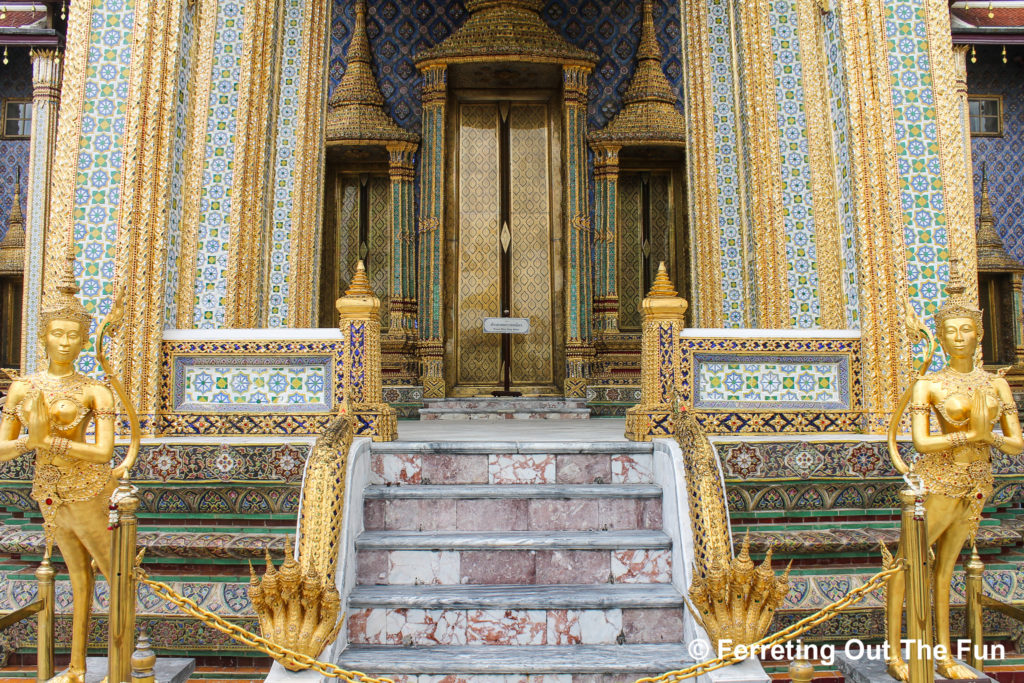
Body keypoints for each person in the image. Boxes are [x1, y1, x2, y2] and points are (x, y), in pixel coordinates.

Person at [885, 265, 1023, 680]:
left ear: (979, 335)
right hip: (938, 480)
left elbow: (1017, 443)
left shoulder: (995, 384)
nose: (959, 337)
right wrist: (969, 437)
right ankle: (897, 654)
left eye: (967, 329)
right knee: (909, 564)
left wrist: (990, 438)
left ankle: (943, 656)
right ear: (941, 336)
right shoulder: (929, 384)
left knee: (946, 568)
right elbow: (922, 443)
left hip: (979, 480)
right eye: (952, 331)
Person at [0, 274, 117, 683]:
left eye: (73, 335)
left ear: (85, 341)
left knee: (113, 574)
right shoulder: (23, 388)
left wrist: (48, 440)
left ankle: (120, 663)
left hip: (89, 489)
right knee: (76, 577)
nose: (65, 342)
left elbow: (103, 453)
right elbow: (2, 449)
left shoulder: (95, 391)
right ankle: (77, 667)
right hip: (48, 491)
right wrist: (30, 443)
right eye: (57, 334)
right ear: (43, 337)